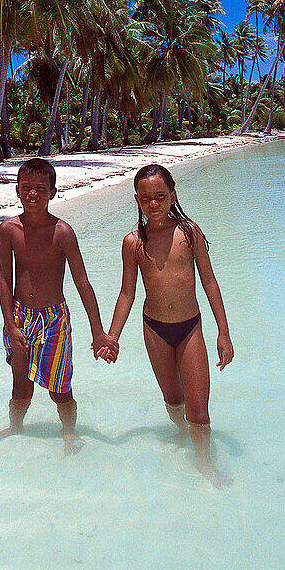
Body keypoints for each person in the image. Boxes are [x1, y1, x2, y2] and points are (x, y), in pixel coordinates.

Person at [105, 164, 234, 485]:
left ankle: (204, 461)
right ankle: (185, 437)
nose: (153, 203)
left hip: (190, 327)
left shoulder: (189, 232)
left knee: (199, 412)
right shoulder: (133, 242)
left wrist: (224, 331)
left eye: (160, 196)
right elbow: (126, 292)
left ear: (173, 196)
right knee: (173, 400)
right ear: (136, 199)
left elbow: (210, 282)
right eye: (146, 197)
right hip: (155, 329)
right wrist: (112, 336)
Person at [0, 157, 118, 454]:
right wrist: (10, 324)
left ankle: (69, 433)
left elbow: (82, 281)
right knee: (21, 384)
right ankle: (16, 426)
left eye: (40, 188)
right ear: (17, 191)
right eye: (26, 187)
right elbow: (4, 280)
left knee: (60, 389)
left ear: (53, 192)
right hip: (19, 317)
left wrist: (98, 333)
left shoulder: (62, 232)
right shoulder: (8, 230)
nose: (32, 193)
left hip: (54, 320)